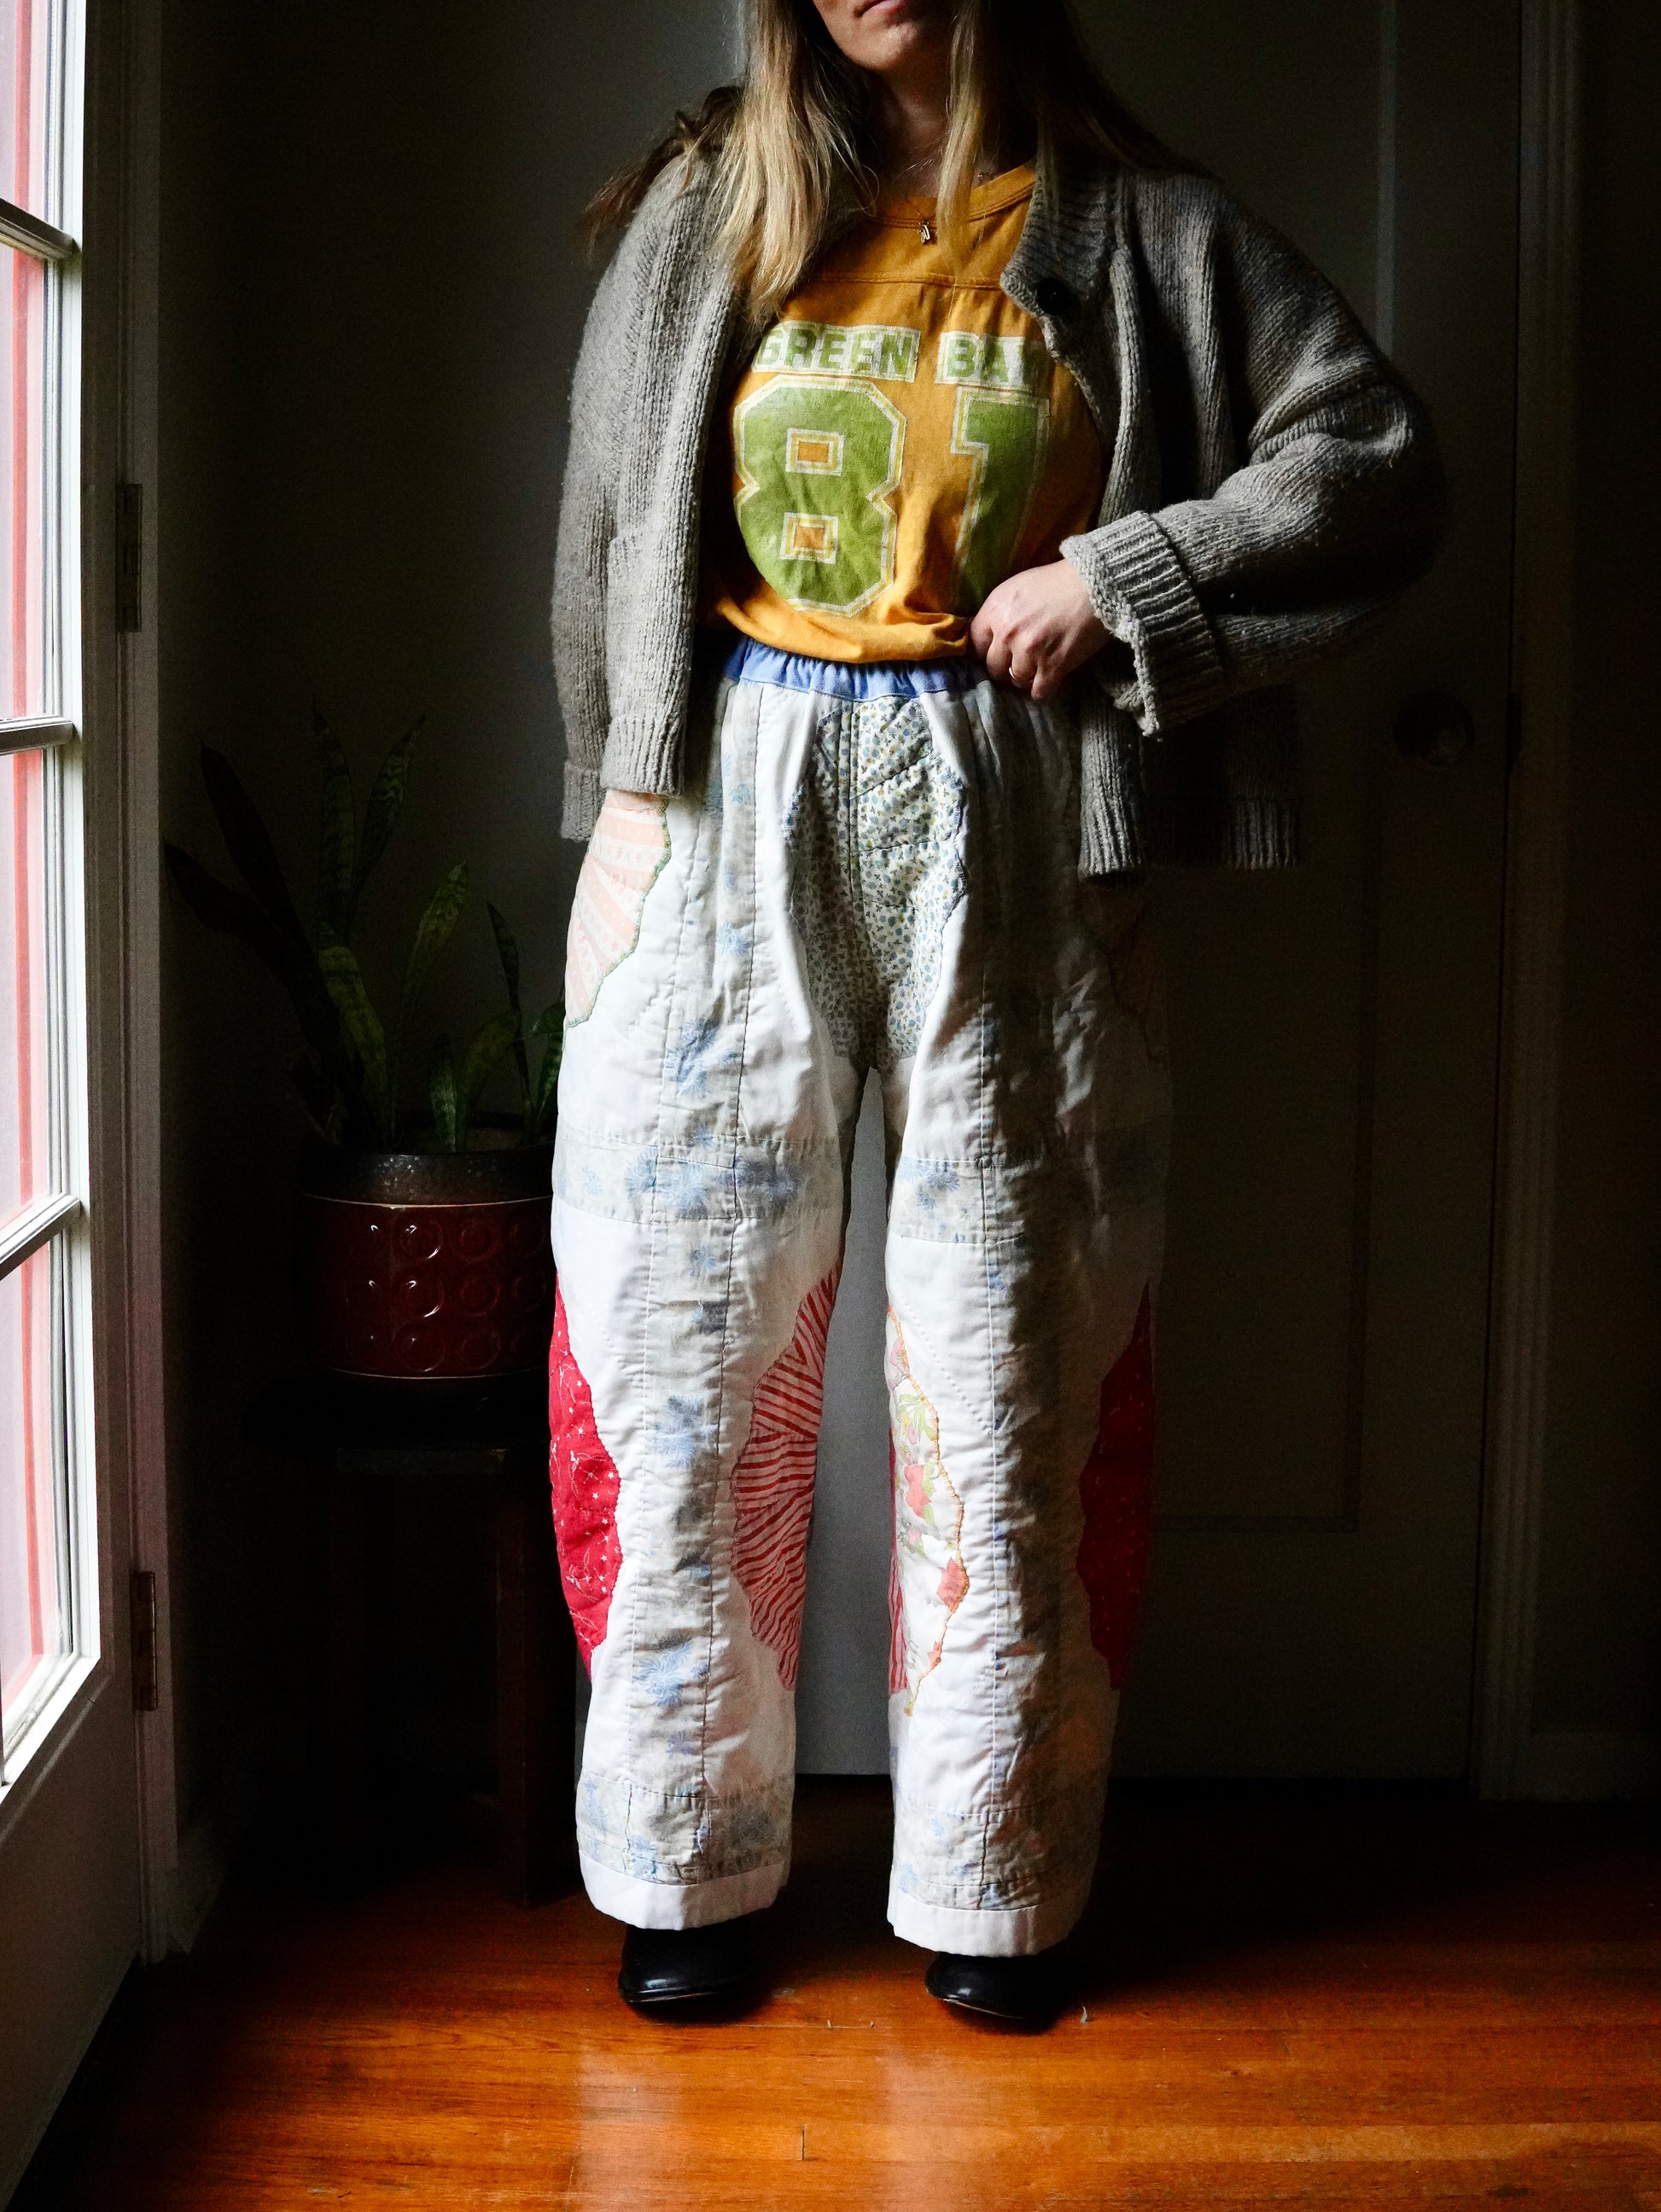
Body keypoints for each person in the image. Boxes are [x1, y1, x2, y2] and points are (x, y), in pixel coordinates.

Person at [547, 0, 1442, 2024]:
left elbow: (1373, 462)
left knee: (1018, 1339)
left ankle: (995, 1883)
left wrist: (1131, 579)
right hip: (720, 803)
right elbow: (598, 530)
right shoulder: (710, 204)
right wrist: (613, 804)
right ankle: (686, 1870)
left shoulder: (1146, 229)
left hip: (1017, 805)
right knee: (677, 1338)